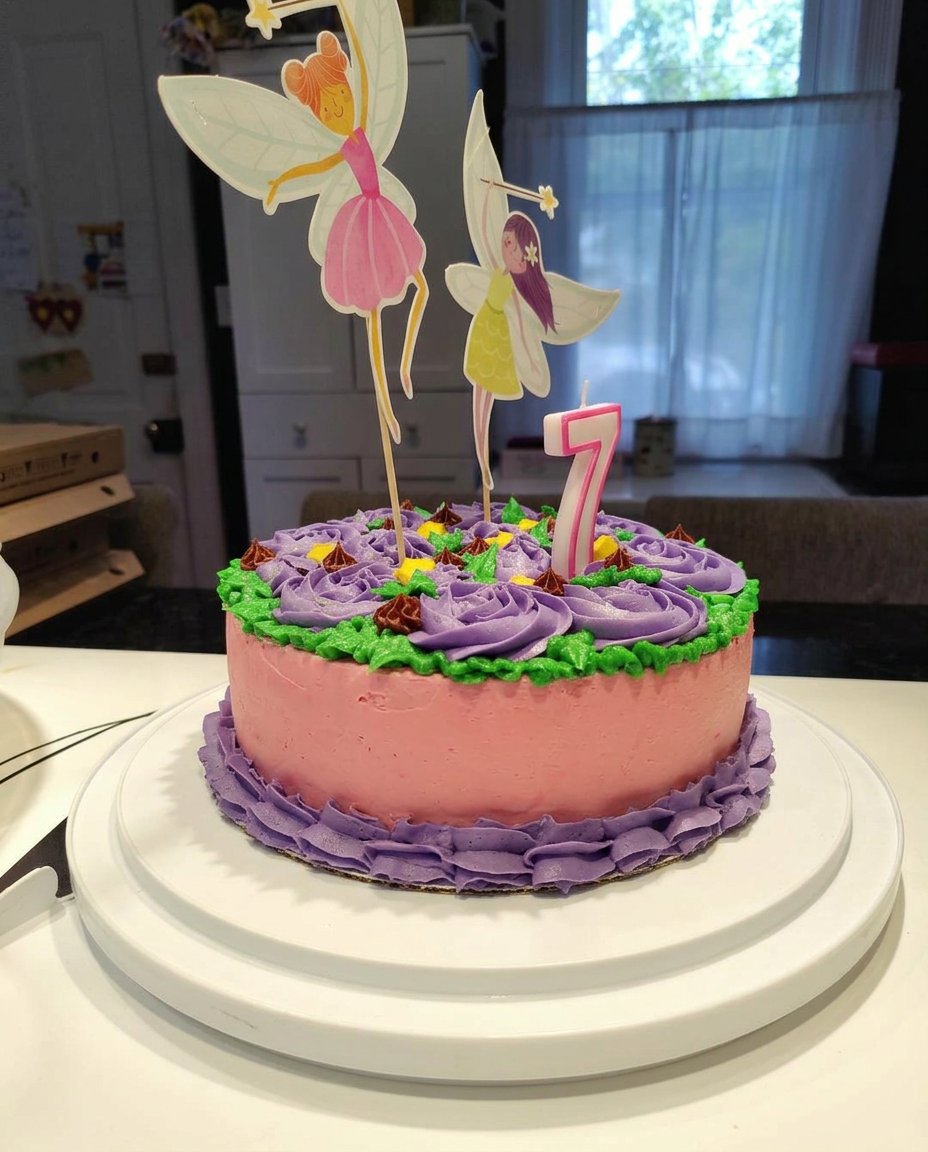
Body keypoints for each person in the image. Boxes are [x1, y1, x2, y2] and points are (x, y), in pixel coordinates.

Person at [265, 25, 428, 443]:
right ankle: (387, 407)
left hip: (383, 212)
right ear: (317, 115)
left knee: (422, 287)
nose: (339, 107)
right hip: (362, 224)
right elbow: (311, 170)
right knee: (372, 313)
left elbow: (371, 82)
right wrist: (278, 184)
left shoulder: (366, 123)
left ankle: (406, 364)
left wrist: (358, 36)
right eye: (329, 107)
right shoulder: (340, 149)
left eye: (343, 96)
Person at [465, 207, 555, 493]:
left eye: (511, 245)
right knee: (478, 400)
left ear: (523, 252)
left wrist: (528, 353)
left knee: (485, 403)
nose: (506, 249)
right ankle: (481, 457)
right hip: (483, 331)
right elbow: (480, 223)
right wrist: (488, 194)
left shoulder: (516, 285)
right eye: (505, 242)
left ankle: (483, 460)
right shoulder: (495, 266)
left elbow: (517, 316)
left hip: (495, 340)